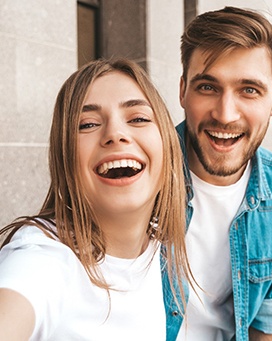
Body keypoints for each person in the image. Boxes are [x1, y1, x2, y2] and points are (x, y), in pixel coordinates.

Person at [0, 58, 193, 341]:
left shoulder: (160, 247)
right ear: (65, 158)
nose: (115, 133)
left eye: (138, 118)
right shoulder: (44, 257)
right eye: (88, 124)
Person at [175, 6, 272, 341]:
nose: (225, 113)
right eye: (207, 87)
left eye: (249, 89)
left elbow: (269, 319)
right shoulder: (136, 173)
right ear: (183, 91)